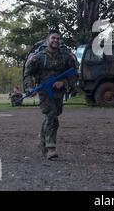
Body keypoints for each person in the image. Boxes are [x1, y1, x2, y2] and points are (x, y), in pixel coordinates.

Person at [23, 29, 77, 160]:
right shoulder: (39, 57)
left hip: (58, 91)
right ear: (48, 40)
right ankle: (50, 148)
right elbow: (28, 74)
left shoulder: (66, 56)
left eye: (58, 38)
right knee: (52, 116)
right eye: (53, 38)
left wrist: (63, 82)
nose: (56, 41)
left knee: (53, 115)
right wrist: (30, 88)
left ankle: (42, 140)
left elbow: (74, 73)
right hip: (44, 90)